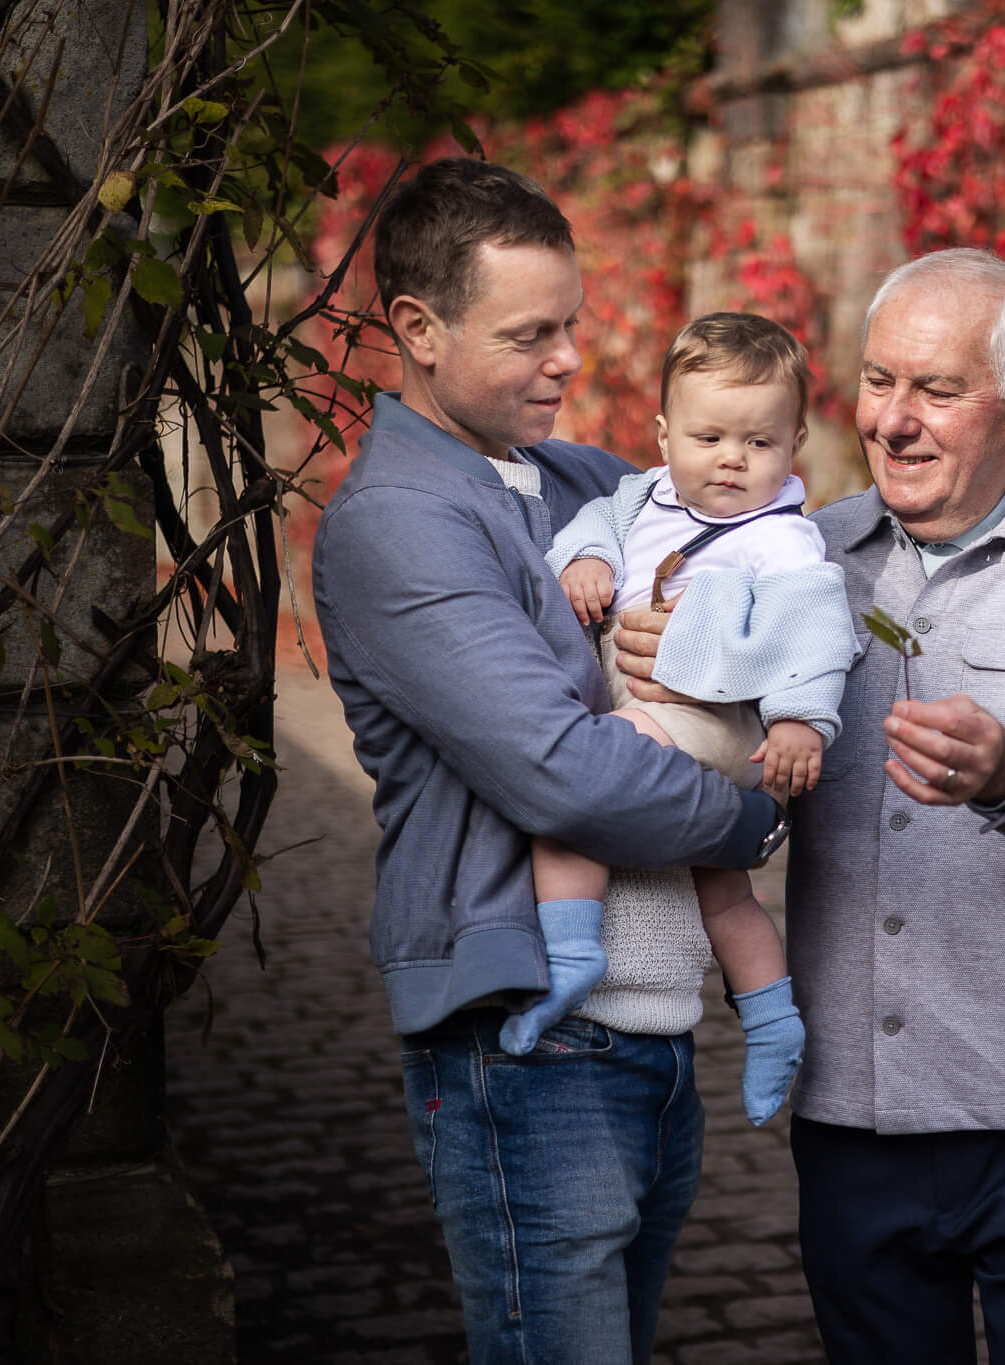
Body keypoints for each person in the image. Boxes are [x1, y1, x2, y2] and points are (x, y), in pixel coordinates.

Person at [620, 247, 1005, 1363]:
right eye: (878, 381)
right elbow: (732, 778)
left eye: (937, 389)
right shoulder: (797, 555)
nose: (892, 420)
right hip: (856, 1111)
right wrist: (677, 680)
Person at [310, 158, 790, 1365]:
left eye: (570, 324)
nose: (570, 360)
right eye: (529, 335)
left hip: (652, 1023)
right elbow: (563, 774)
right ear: (418, 329)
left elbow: (772, 543)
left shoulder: (587, 480)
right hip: (523, 1040)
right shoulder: (398, 523)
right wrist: (751, 820)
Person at [530, 311, 858, 1125]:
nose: (731, 459)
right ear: (665, 433)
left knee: (586, 773)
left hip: (719, 721)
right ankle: (774, 1023)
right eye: (708, 437)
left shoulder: (778, 538)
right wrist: (588, 558)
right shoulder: (641, 497)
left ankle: (569, 955)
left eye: (759, 442)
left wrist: (799, 722)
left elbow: (816, 634)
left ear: (795, 443)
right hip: (650, 703)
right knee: (726, 894)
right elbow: (595, 522)